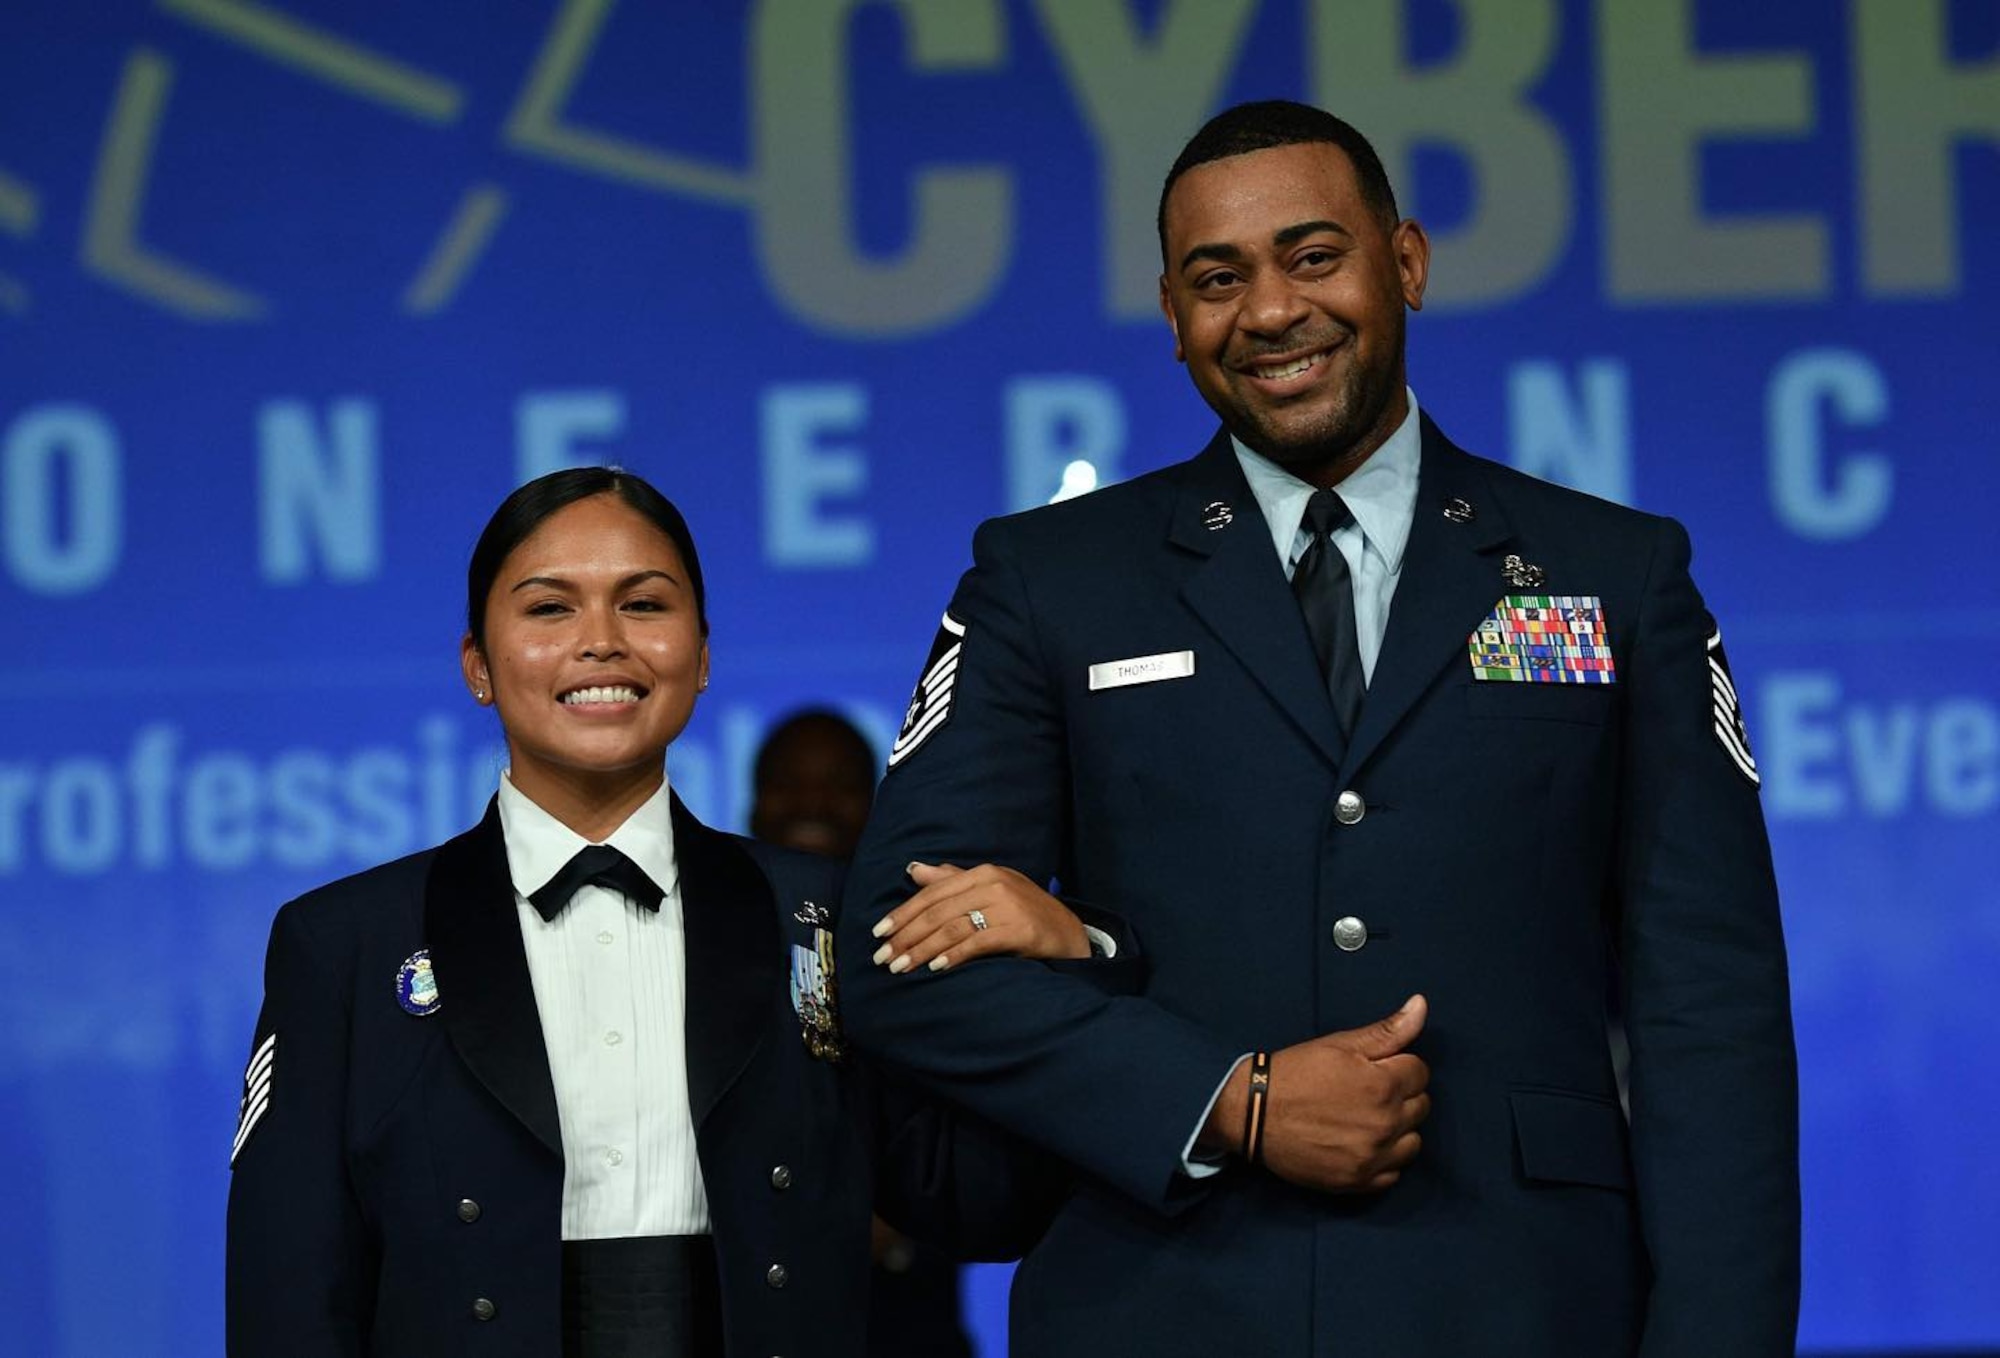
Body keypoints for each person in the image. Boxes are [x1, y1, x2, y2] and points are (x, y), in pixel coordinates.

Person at [840, 100, 1800, 1357]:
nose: (1271, 311)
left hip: (1521, 1304)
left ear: (1403, 262)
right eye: (1216, 278)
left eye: (1311, 256)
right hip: (1157, 1306)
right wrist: (1225, 1098)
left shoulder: (1613, 574)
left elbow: (1708, 1011)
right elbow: (889, 964)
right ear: (1172, 318)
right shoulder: (1049, 579)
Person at [225, 467, 1105, 1358]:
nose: (602, 642)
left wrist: (1065, 959)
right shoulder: (342, 942)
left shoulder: (825, 915)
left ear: (705, 655)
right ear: (477, 667)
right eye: (548, 609)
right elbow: (288, 1293)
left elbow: (979, 1200)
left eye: (644, 605)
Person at [750, 708, 977, 1358]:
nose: (812, 801)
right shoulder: (709, 941)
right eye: (787, 782)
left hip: (901, 1321)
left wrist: (894, 1220)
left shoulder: (925, 942)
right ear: (754, 801)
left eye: (841, 783)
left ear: (875, 804)